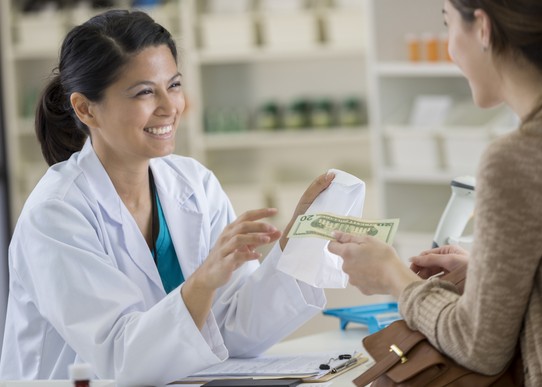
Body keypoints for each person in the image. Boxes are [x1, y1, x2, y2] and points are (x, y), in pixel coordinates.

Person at [0, 9, 336, 385]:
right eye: (145, 91)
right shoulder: (56, 214)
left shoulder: (193, 184)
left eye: (173, 85)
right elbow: (121, 358)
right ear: (85, 108)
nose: (170, 106)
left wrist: (296, 245)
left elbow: (236, 332)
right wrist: (204, 281)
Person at [328, 0, 542, 386]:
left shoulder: (520, 158)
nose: (450, 49)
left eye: (448, 25)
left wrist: (395, 278)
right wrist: (486, 272)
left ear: (482, 28)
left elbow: (477, 343)